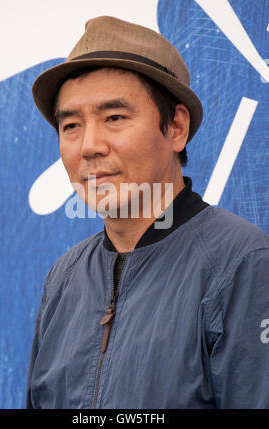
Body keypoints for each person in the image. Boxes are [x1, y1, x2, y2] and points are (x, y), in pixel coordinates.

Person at [25, 16, 269, 409]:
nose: (89, 146)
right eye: (70, 125)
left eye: (114, 118)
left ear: (175, 127)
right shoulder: (64, 278)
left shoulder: (244, 263)